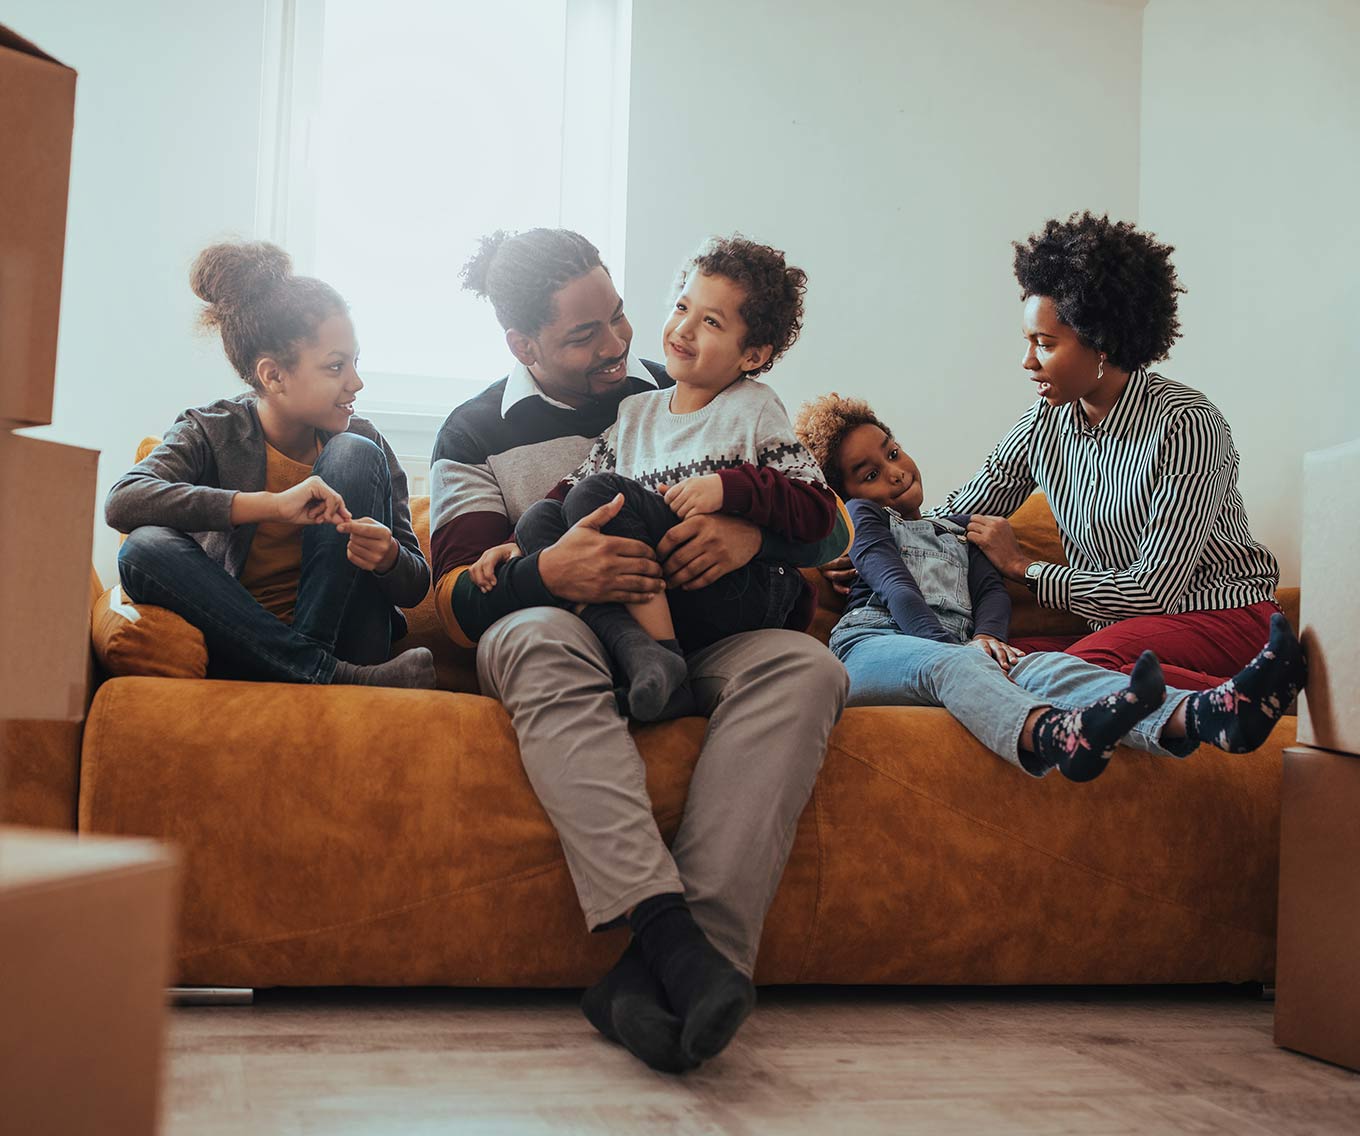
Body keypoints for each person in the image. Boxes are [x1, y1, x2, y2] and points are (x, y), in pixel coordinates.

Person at [429, 228, 849, 1073]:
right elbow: (459, 603)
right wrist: (547, 567)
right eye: (584, 335)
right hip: (574, 629)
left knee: (808, 666)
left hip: (701, 624)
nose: (619, 344)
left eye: (618, 316)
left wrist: (745, 530)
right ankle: (672, 941)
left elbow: (829, 524)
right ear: (525, 345)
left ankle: (665, 973)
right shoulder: (472, 434)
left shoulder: (686, 385)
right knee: (533, 635)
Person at [794, 392, 1307, 782]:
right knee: (967, 663)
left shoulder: (957, 530)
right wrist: (840, 546)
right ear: (846, 497)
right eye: (869, 473)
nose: (895, 473)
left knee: (1035, 664)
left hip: (1209, 611)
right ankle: (1053, 733)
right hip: (878, 642)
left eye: (893, 453)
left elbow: (990, 589)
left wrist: (987, 637)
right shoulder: (865, 519)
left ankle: (1201, 712)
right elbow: (898, 586)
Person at [471, 235, 837, 720]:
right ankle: (644, 653)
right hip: (669, 594)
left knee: (600, 495)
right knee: (544, 516)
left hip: (737, 591)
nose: (683, 329)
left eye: (710, 322)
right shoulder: (635, 412)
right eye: (682, 307)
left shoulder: (754, 407)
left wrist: (732, 490)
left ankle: (659, 656)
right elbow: (570, 489)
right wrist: (519, 544)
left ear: (751, 355)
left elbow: (818, 508)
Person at [106, 241, 433, 688]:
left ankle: (309, 668)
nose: (356, 382)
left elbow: (414, 586)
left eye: (356, 361)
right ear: (273, 375)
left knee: (352, 451)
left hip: (350, 644)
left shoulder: (364, 438)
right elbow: (123, 501)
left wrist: (389, 558)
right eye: (336, 367)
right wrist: (272, 505)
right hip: (248, 645)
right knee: (143, 548)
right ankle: (316, 674)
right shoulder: (209, 430)